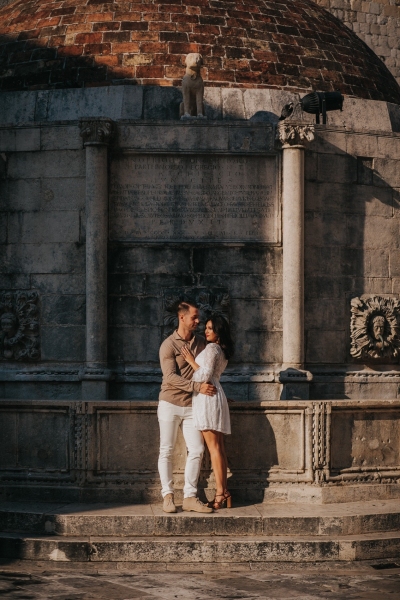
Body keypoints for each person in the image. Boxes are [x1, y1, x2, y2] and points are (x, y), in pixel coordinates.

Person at [158, 299, 217, 514]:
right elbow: (170, 377)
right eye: (194, 317)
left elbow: (208, 370)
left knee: (197, 449)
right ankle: (168, 496)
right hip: (169, 403)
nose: (198, 320)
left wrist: (217, 393)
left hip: (193, 404)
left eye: (198, 317)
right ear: (182, 317)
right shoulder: (168, 344)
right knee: (167, 450)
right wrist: (197, 386)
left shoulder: (201, 342)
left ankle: (190, 497)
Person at [181, 314, 234, 510]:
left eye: (211, 328)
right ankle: (224, 490)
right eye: (207, 327)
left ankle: (221, 492)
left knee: (214, 449)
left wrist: (190, 360)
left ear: (219, 331)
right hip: (215, 394)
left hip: (208, 397)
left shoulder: (212, 348)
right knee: (218, 448)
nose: (206, 330)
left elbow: (204, 375)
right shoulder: (220, 349)